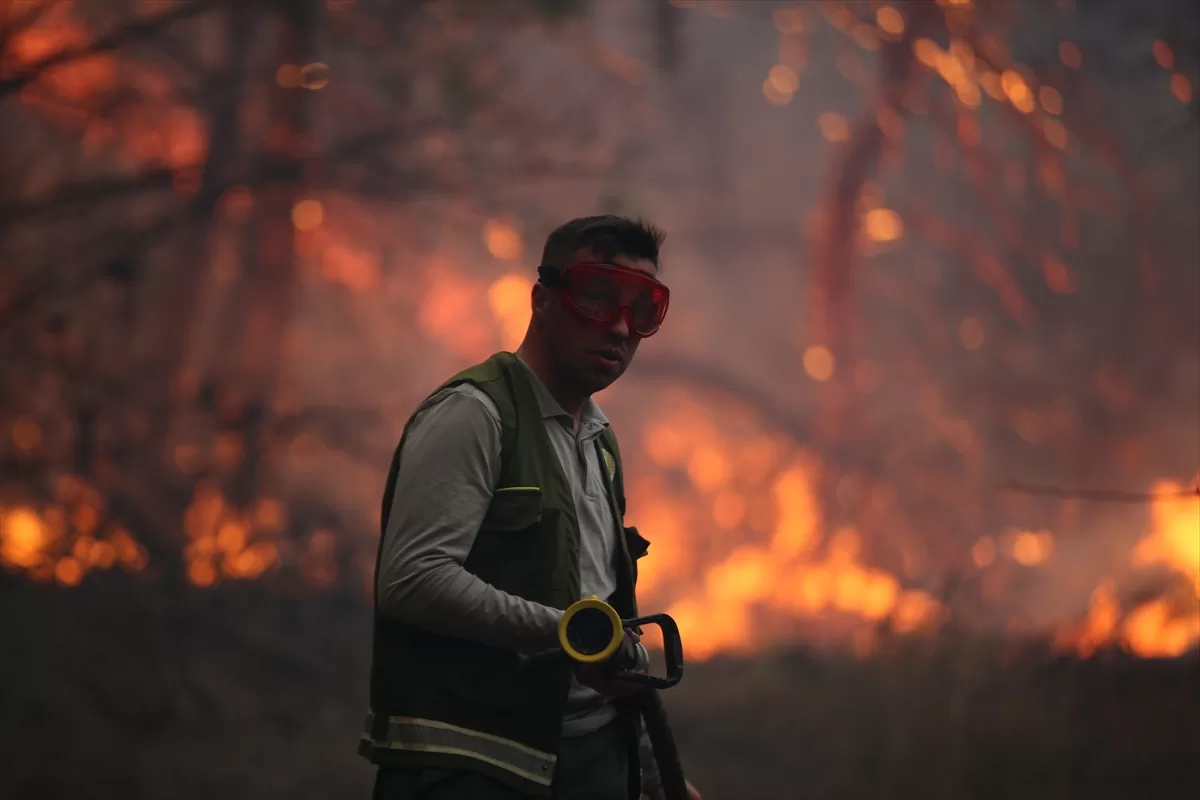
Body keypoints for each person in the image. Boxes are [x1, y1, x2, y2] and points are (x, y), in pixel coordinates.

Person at [360, 215, 701, 800]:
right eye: (598, 299)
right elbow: (411, 580)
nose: (620, 327)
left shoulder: (599, 443)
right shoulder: (475, 415)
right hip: (472, 769)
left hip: (591, 762)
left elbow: (606, 623)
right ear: (544, 300)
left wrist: (650, 774)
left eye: (642, 311)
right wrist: (566, 632)